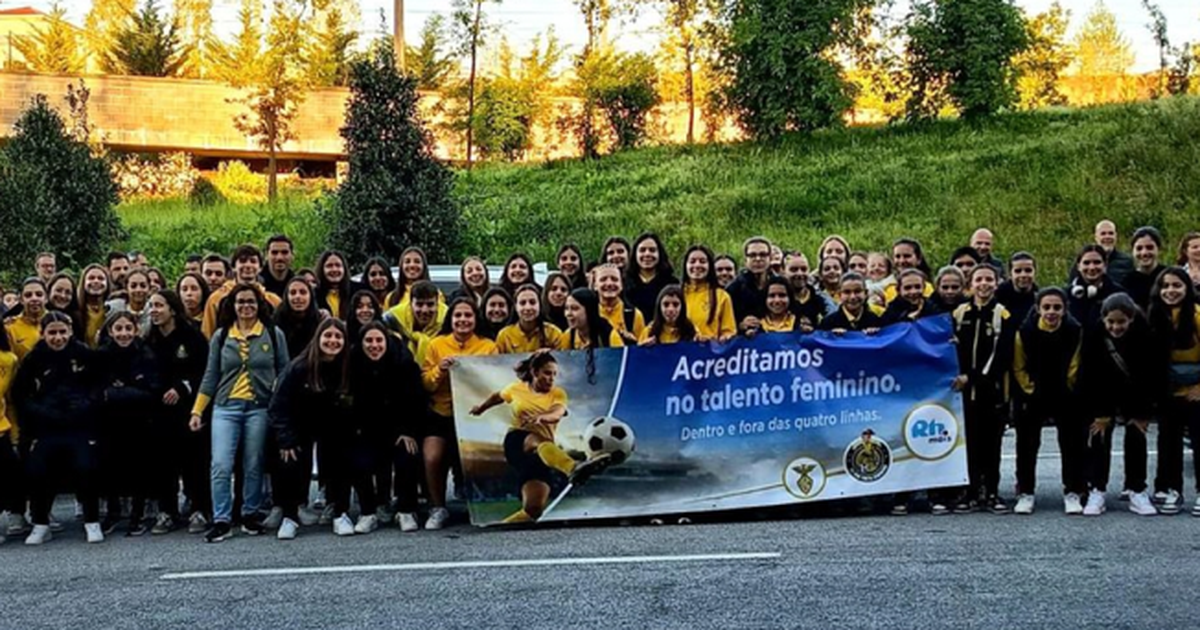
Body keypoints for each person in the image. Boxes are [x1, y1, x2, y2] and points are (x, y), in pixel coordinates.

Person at [191, 283, 290, 543]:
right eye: (240, 302)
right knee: (221, 463)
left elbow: (284, 372)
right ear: (232, 306)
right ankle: (222, 519)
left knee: (253, 462)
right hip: (226, 407)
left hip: (259, 407)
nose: (246, 307)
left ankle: (249, 514)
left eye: (251, 302)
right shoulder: (222, 336)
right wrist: (197, 411)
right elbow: (211, 375)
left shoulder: (272, 333)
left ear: (260, 305)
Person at [470, 352, 613, 523]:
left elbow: (557, 412)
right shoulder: (516, 389)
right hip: (517, 441)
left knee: (533, 510)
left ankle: (504, 527)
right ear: (534, 372)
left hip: (544, 455)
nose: (551, 378)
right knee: (536, 439)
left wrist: (543, 417)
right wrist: (481, 408)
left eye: (554, 374)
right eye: (547, 373)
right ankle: (573, 468)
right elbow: (496, 397)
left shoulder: (558, 393)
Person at [271, 319, 369, 539]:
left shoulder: (349, 368)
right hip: (299, 426)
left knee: (340, 461)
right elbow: (279, 405)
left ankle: (339, 512)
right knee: (291, 461)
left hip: (335, 427)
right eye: (328, 336)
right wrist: (286, 438)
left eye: (338, 337)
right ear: (318, 338)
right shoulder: (298, 367)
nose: (332, 341)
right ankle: (290, 516)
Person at [13, 312, 104, 545]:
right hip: (47, 428)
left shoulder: (84, 354)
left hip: (80, 426)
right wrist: (44, 413)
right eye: (52, 333)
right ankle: (41, 524)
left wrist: (83, 407)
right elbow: (22, 397)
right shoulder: (34, 359)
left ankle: (91, 522)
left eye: (62, 332)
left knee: (85, 466)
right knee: (37, 469)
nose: (58, 337)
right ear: (43, 334)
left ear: (70, 331)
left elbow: (97, 389)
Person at [1078, 293, 1158, 517]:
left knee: (1136, 435)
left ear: (1131, 318)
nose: (1115, 327)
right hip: (1103, 389)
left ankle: (1137, 489)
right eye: (1111, 322)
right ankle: (1097, 489)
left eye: (1121, 322)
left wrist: (1142, 412)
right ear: (1103, 319)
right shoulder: (1094, 334)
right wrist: (1099, 412)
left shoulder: (1144, 334)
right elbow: (1089, 373)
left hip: (1135, 391)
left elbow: (1149, 375)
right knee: (1100, 437)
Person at [421, 297, 497, 529]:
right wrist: (439, 371)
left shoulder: (488, 347)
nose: (462, 320)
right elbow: (426, 384)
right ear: (450, 319)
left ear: (476, 319)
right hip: (441, 413)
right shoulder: (436, 345)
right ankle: (437, 507)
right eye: (458, 316)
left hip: (475, 415)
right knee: (432, 456)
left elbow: (493, 383)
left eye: (467, 315)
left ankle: (481, 506)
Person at [1011, 288, 1085, 516]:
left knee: (1072, 444)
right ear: (1037, 308)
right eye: (1046, 307)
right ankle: (1026, 492)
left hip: (1065, 394)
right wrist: (1030, 389)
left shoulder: (1075, 331)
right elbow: (1018, 365)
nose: (1051, 312)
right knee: (1027, 445)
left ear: (1064, 309)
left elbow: (1076, 363)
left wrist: (1069, 388)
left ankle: (1072, 491)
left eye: (1057, 307)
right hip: (1034, 395)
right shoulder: (1025, 332)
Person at [946, 265, 1012, 515]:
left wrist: (972, 378)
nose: (984, 284)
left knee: (991, 445)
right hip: (963, 395)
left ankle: (992, 492)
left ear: (997, 283)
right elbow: (951, 350)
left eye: (989, 279)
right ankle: (971, 491)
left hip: (991, 392)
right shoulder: (959, 313)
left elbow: (1001, 357)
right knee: (969, 444)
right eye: (979, 279)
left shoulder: (1002, 315)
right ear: (970, 285)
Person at [350, 322, 426, 532]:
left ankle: (406, 510)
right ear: (361, 343)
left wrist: (408, 431)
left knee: (407, 454)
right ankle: (368, 512)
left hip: (399, 430)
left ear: (386, 342)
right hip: (367, 431)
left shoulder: (405, 364)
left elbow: (417, 401)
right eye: (369, 340)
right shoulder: (352, 364)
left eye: (378, 340)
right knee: (358, 460)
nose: (374, 345)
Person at [145, 290, 210, 535]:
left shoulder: (192, 336)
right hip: (159, 411)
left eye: (159, 305)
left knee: (194, 461)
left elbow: (204, 371)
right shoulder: (149, 340)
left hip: (189, 409)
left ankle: (199, 508)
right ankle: (166, 511)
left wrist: (182, 387)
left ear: (172, 309)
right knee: (163, 463)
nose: (154, 310)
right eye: (151, 306)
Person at [96, 310, 162, 536]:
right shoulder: (102, 355)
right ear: (110, 331)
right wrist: (127, 389)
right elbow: (97, 390)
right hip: (109, 421)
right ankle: (112, 512)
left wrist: (117, 391)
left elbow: (152, 390)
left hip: (140, 421)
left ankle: (137, 514)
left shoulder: (146, 353)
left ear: (135, 330)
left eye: (128, 328)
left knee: (139, 468)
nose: (123, 333)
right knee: (110, 467)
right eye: (118, 329)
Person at [1147, 267, 1200, 516]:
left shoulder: (1198, 315)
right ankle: (1173, 490)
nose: (1170, 291)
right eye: (1165, 286)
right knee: (1169, 445)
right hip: (1167, 392)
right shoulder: (1153, 316)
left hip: (1194, 391)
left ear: (1187, 289)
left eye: (1177, 286)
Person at [201, 245, 282, 339]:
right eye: (242, 261)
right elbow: (207, 334)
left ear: (260, 268)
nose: (248, 265)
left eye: (253, 261)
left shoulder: (274, 301)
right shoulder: (216, 299)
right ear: (234, 267)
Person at [681, 246, 736, 342]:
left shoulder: (722, 296)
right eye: (692, 261)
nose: (697, 265)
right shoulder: (675, 295)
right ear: (686, 265)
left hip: (708, 355)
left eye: (702, 261)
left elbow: (729, 332)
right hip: (678, 354)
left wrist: (723, 338)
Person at [1067, 245, 1124, 332]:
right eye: (1086, 263)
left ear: (1105, 265)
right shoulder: (1066, 295)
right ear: (1078, 266)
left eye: (1097, 262)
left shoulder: (1120, 294)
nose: (1092, 267)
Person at [624, 233, 679, 320]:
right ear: (635, 254)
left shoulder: (672, 283)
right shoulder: (624, 282)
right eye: (642, 250)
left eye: (652, 250)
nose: (647, 254)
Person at [727, 237, 774, 334]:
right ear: (745, 260)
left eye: (763, 255)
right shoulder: (734, 288)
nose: (758, 259)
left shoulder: (780, 284)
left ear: (770, 258)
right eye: (752, 255)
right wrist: (740, 325)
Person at [497, 285, 564, 353]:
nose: (528, 307)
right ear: (515, 307)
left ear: (540, 305)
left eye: (532, 302)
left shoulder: (554, 333)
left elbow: (562, 360)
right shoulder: (504, 335)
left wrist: (551, 354)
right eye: (522, 303)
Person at [593, 264, 645, 345]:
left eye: (614, 279)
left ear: (621, 285)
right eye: (603, 279)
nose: (609, 283)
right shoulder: (589, 314)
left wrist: (633, 342)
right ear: (595, 286)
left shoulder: (634, 315)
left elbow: (642, 350)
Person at [273, 276, 323, 361]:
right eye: (293, 293)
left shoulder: (320, 323)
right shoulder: (275, 325)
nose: (298, 296)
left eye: (303, 292)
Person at [0, 328, 20, 536]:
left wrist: (15, 432)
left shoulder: (8, 360)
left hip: (2, 428)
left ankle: (16, 514)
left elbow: (11, 399)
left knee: (12, 472)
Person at [558, 288, 623, 351]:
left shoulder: (608, 335)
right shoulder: (568, 336)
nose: (568, 314)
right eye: (566, 308)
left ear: (589, 310)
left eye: (575, 308)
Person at [783, 253, 831, 332]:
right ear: (784, 272)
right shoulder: (777, 300)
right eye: (794, 270)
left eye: (804, 269)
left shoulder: (821, 301)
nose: (799, 273)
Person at [1122, 227, 1167, 309]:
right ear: (1132, 251)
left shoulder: (1169, 276)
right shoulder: (1127, 281)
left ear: (1159, 249)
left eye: (1149, 248)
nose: (1144, 253)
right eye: (1139, 248)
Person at [6, 278, 48, 360]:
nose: (34, 298)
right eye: (28, 295)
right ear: (21, 300)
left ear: (46, 298)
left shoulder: (58, 322)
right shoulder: (10, 327)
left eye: (39, 294)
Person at [996, 252, 1038, 326]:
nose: (1023, 275)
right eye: (1018, 271)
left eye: (1028, 270)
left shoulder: (1039, 299)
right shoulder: (997, 297)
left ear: (1035, 272)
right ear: (1010, 274)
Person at [315, 250, 355, 320]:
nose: (334, 269)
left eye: (338, 265)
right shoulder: (314, 295)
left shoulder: (357, 291)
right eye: (329, 266)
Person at [1093, 220, 1135, 287]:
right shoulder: (1086, 262)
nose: (1107, 237)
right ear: (1096, 237)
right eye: (1103, 234)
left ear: (1116, 236)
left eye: (1111, 233)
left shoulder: (1127, 262)